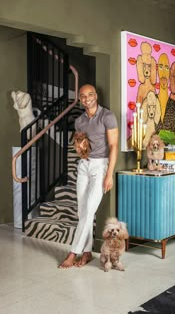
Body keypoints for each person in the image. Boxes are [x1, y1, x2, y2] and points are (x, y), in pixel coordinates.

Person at [59, 84, 118, 268]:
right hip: (84, 166)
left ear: (96, 96)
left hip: (100, 167)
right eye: (83, 96)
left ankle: (72, 253)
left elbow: (114, 146)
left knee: (89, 211)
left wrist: (109, 175)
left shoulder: (107, 116)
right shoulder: (79, 121)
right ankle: (87, 252)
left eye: (90, 94)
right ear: (80, 99)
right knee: (82, 212)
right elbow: (81, 142)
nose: (87, 98)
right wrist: (80, 147)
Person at [156, 53, 175, 140]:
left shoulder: (174, 105)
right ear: (157, 70)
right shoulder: (151, 101)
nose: (164, 72)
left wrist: (158, 135)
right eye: (161, 67)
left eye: (167, 68)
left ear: (169, 73)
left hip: (169, 151)